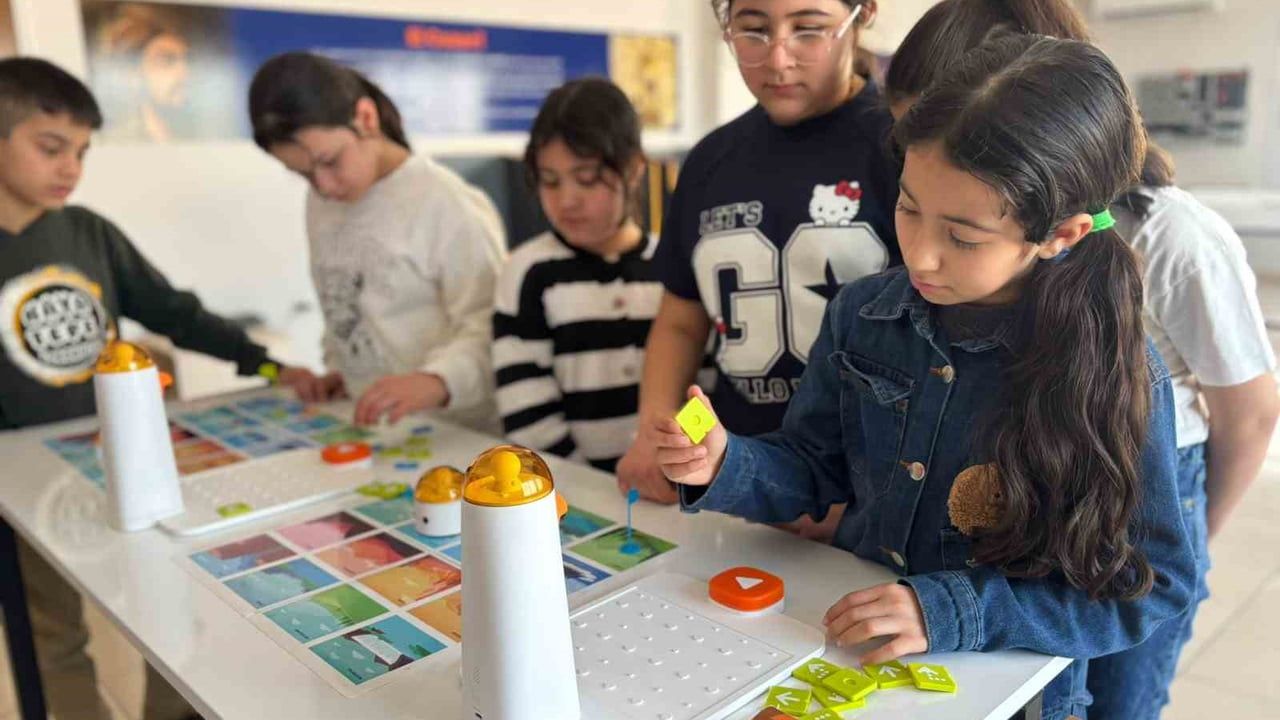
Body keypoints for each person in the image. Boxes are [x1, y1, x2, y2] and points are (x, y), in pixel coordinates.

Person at [654, 35, 1196, 719]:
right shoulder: (862, 312)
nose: (923, 255)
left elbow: (1152, 588)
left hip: (1011, 698)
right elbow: (813, 465)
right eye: (909, 208)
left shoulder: (1117, 370)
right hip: (856, 664)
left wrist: (951, 609)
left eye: (963, 237)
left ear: (1060, 234)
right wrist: (725, 461)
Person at [248, 52, 505, 432]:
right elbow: (345, 303)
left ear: (366, 119)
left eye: (330, 161)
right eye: (302, 174)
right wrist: (341, 370)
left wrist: (436, 382)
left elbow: (491, 328)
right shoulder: (321, 202)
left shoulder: (447, 203)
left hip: (456, 434)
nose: (323, 186)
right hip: (371, 426)